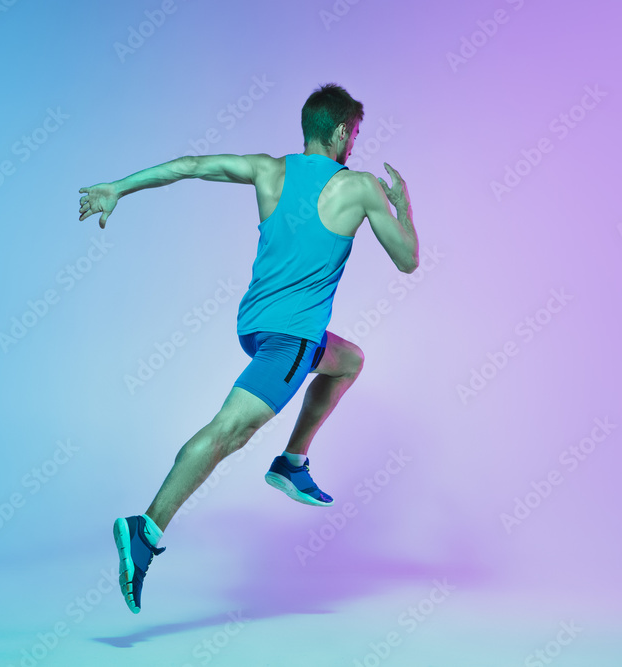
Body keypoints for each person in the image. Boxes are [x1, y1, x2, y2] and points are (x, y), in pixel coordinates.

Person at [78, 83, 418, 614]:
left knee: (347, 360)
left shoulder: (268, 169)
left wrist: (118, 188)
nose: (354, 143)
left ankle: (291, 461)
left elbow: (190, 164)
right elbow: (408, 260)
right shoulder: (362, 187)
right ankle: (145, 528)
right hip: (292, 339)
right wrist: (404, 208)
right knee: (228, 431)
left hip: (256, 327)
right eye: (353, 133)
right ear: (339, 132)